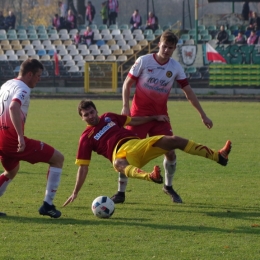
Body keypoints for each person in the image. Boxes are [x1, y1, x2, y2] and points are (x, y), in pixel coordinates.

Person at [62, 99, 232, 208]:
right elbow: (83, 167)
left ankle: (218, 156)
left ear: (96, 111)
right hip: (120, 154)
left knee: (174, 140)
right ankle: (151, 176)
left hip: (138, 144)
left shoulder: (108, 117)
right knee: (118, 165)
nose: (90, 116)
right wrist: (75, 192)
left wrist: (154, 118)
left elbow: (133, 120)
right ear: (81, 118)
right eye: (86, 115)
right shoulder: (86, 137)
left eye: (92, 112)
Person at [111, 30, 214, 205]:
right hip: (138, 117)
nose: (166, 50)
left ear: (174, 49)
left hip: (160, 118)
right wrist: (125, 106)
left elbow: (188, 92)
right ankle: (120, 192)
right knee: (126, 154)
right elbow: (127, 84)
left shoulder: (175, 67)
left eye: (170, 48)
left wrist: (203, 115)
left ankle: (168, 186)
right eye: (164, 46)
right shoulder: (143, 61)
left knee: (171, 152)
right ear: (159, 44)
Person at [0, 59, 64, 218]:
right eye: (38, 75)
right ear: (29, 74)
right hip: (12, 141)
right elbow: (14, 106)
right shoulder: (23, 88)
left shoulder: (7, 84)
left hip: (1, 138)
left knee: (11, 171)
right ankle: (47, 205)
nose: (39, 79)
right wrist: (20, 137)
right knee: (58, 158)